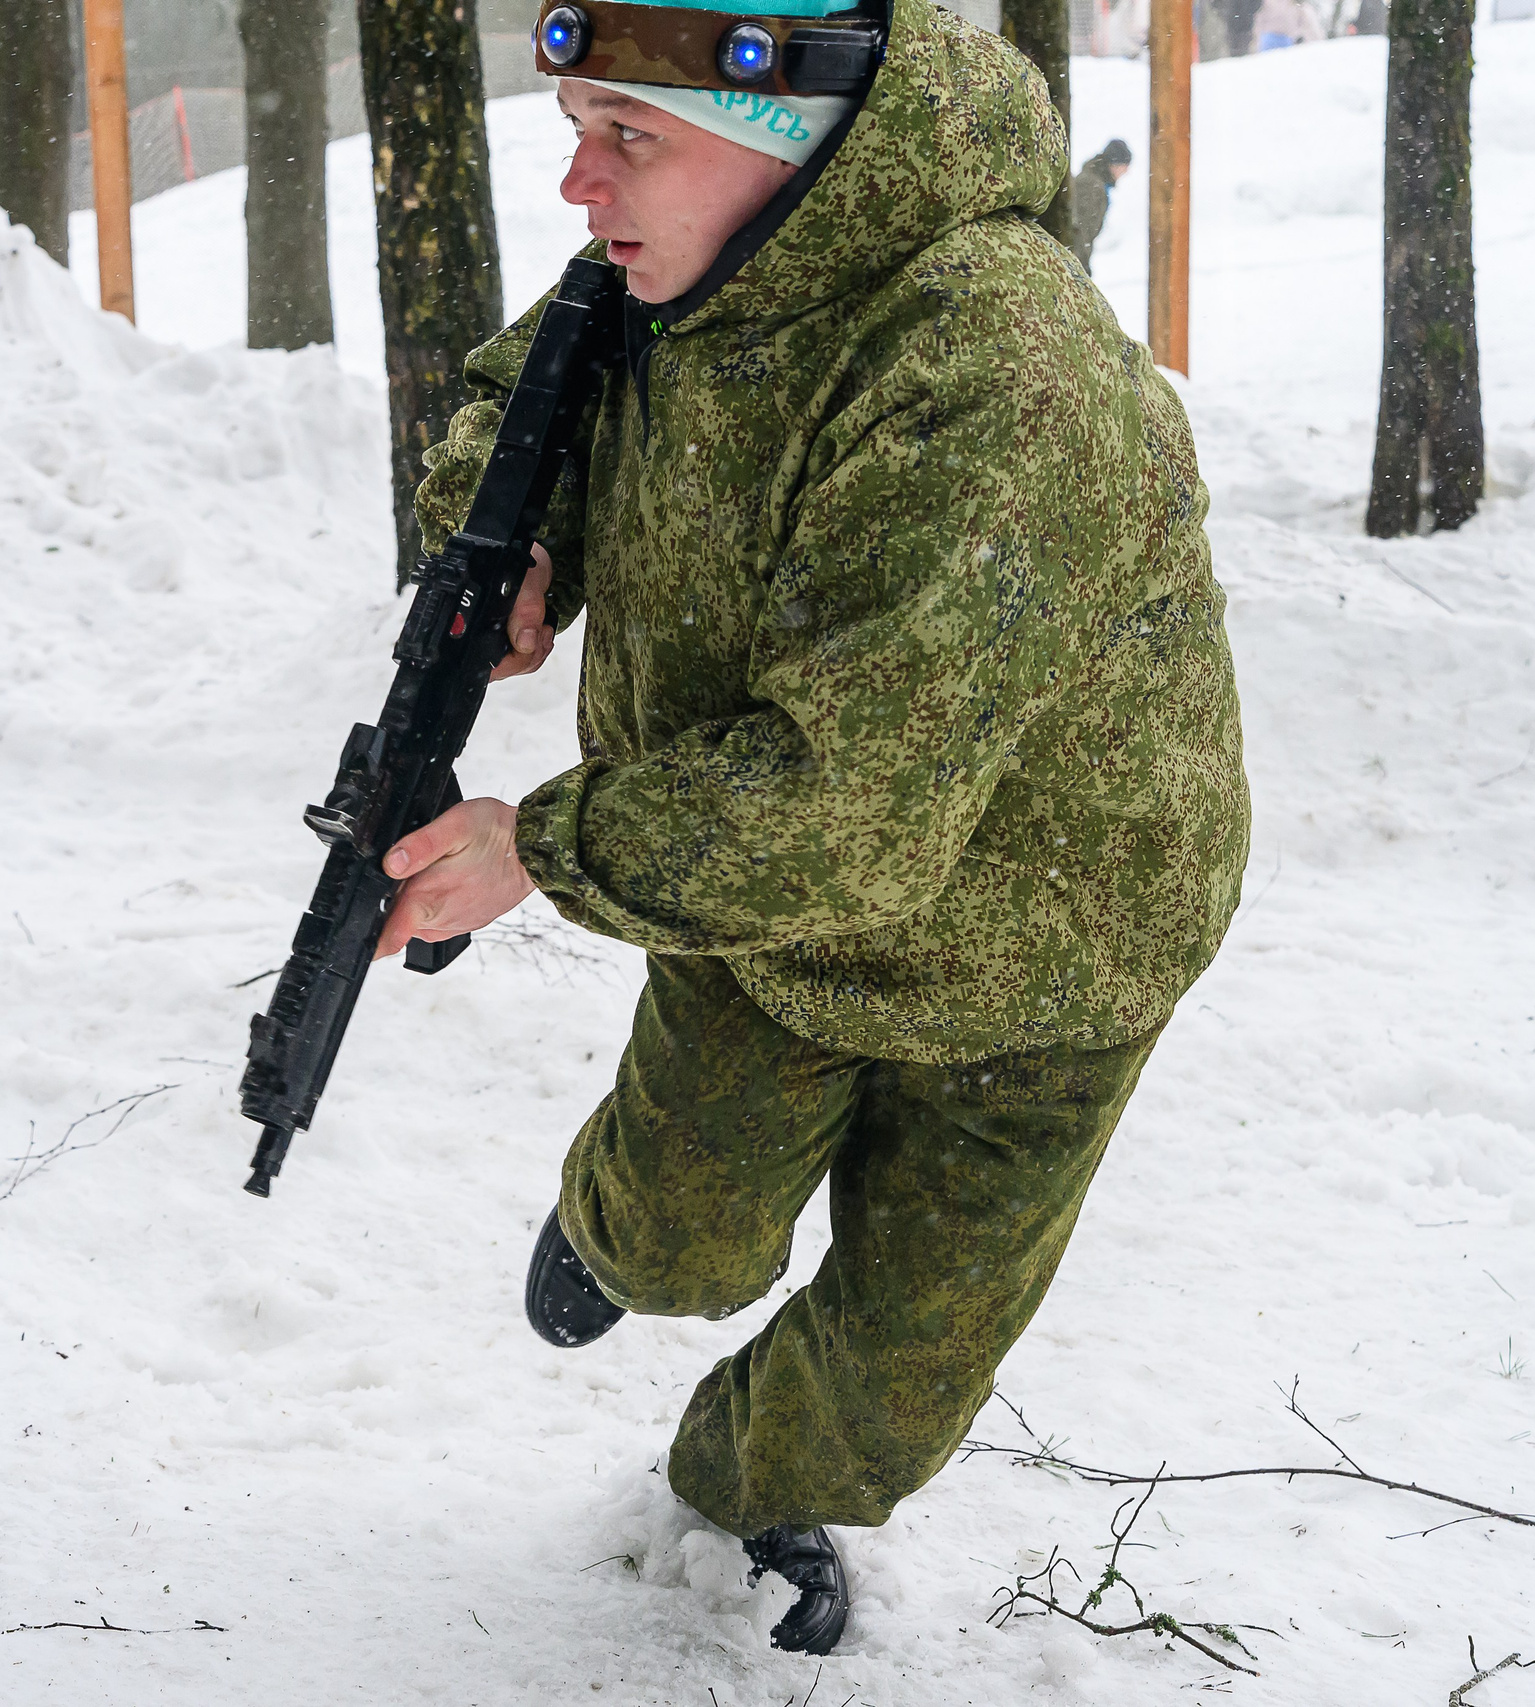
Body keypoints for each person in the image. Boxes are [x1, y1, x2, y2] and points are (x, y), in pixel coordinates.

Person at [380, 0, 1249, 1656]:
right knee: (685, 1237)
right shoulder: (683, 263)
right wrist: (513, 542)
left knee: (885, 1389)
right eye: (576, 123)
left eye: (624, 136)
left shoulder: (999, 372)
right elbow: (529, 381)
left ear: (795, 140)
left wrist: (536, 850)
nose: (580, 184)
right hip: (756, 908)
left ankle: (734, 1499)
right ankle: (621, 1227)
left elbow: (852, 802)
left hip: (1046, 958)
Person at [1067, 136, 1132, 275]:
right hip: (1073, 261)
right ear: (1114, 164)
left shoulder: (1095, 183)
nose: (1126, 172)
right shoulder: (1092, 186)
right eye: (1124, 166)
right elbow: (1081, 230)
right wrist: (1081, 268)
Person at [1253, 0, 1325, 48]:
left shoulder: (1298, 7)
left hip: (1286, 38)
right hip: (1269, 37)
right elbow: (1259, 20)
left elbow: (1307, 27)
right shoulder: (1265, 3)